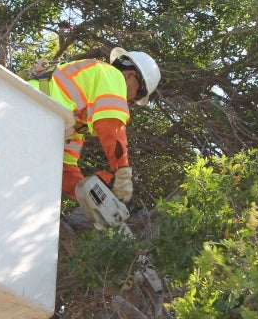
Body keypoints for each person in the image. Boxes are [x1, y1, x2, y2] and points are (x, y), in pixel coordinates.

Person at [27, 47, 160, 203]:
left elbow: (65, 166)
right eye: (138, 95)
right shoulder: (111, 74)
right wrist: (122, 172)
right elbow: (112, 128)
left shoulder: (76, 118)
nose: (132, 103)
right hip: (31, 107)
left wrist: (93, 198)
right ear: (130, 76)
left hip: (29, 114)